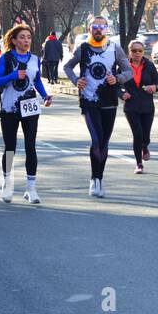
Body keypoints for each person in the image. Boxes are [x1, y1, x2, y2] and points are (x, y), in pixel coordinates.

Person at [63, 16, 130, 198]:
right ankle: (94, 179)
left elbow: (128, 71)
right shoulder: (83, 48)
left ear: (107, 29)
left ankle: (100, 178)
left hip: (109, 101)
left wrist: (117, 79)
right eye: (95, 27)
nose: (99, 30)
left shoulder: (115, 48)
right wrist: (77, 80)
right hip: (89, 100)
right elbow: (67, 67)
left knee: (104, 142)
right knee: (96, 139)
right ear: (90, 28)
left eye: (102, 27)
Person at [0, 23, 52, 203]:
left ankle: (31, 189)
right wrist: (13, 76)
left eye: (28, 37)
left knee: (30, 146)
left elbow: (37, 80)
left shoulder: (34, 59)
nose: (26, 41)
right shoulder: (6, 58)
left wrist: (45, 95)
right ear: (14, 40)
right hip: (10, 107)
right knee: (10, 147)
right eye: (22, 37)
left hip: (30, 106)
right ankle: (7, 184)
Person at [120, 38, 158, 174]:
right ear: (129, 52)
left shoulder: (149, 65)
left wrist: (154, 87)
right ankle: (139, 163)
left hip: (147, 105)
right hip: (131, 106)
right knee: (137, 134)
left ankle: (145, 146)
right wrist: (121, 94)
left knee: (146, 135)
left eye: (140, 51)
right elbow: (114, 84)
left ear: (143, 52)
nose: (137, 53)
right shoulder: (124, 66)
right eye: (134, 51)